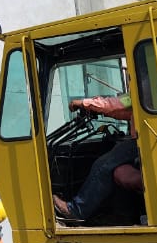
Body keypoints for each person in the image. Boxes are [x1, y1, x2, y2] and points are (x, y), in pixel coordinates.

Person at [52, 94, 138, 222]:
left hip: (139, 141)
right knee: (118, 169)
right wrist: (102, 111)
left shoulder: (145, 81)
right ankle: (120, 214)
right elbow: (130, 111)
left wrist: (84, 103)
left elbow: (118, 104)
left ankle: (76, 210)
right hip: (143, 139)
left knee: (103, 165)